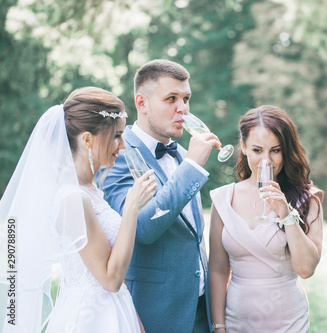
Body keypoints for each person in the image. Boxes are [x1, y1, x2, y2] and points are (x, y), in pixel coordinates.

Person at [0, 86, 155, 332]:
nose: (122, 146)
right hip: (90, 319)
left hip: (116, 311)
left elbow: (116, 273)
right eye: (116, 136)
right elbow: (110, 279)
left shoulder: (91, 191)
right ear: (87, 139)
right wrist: (132, 210)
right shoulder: (73, 198)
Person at [99, 59, 220, 333]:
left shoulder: (181, 152)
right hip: (156, 315)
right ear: (141, 103)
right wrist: (192, 167)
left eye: (187, 98)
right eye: (171, 99)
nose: (184, 108)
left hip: (201, 312)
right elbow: (142, 227)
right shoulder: (118, 154)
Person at [209, 105, 324, 332]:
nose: (266, 161)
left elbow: (306, 269)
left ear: (286, 150)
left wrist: (285, 212)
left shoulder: (308, 199)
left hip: (287, 321)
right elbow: (218, 269)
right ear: (243, 148)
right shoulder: (223, 199)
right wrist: (219, 324)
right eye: (257, 150)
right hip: (236, 322)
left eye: (275, 150)